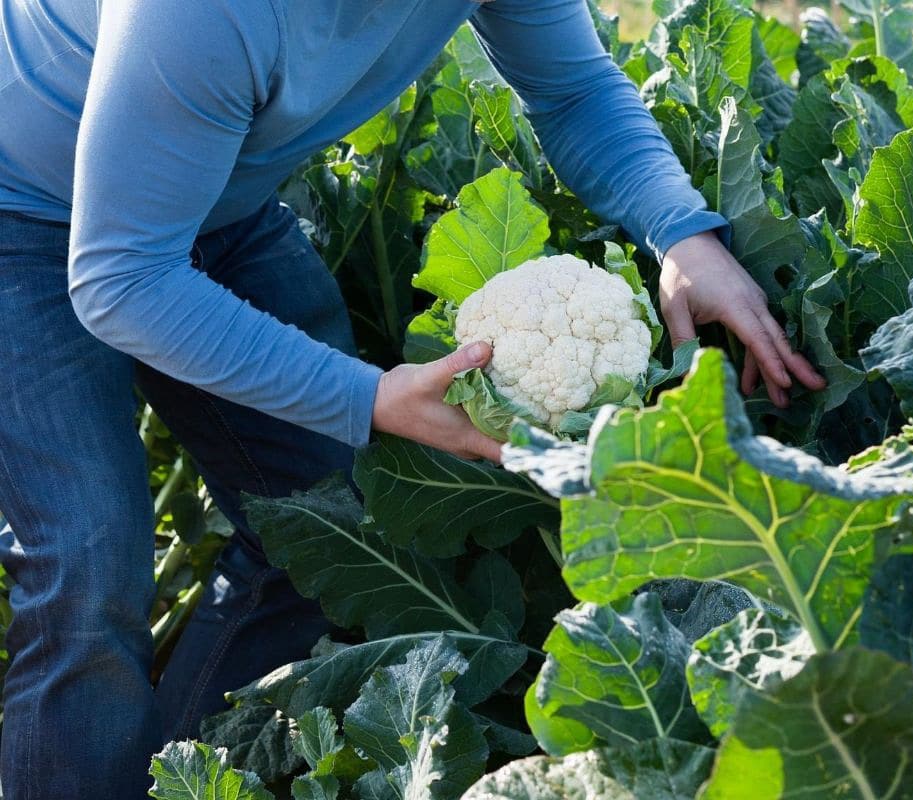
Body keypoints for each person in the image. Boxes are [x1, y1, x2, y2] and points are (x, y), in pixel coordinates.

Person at [0, 0, 825, 796]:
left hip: (222, 203)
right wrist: (370, 396)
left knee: (324, 521)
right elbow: (123, 279)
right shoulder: (203, 12)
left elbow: (572, 90)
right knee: (87, 565)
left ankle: (172, 783)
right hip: (21, 210)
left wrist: (680, 230)